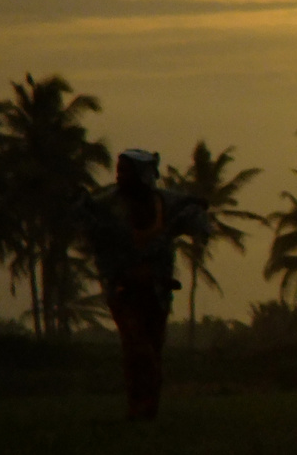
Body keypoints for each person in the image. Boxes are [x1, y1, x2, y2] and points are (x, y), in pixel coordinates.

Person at [81, 149, 208, 420]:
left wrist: (198, 216)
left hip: (157, 291)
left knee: (152, 350)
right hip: (124, 291)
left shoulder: (166, 203)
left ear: (143, 175)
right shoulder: (107, 204)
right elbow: (88, 220)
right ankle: (139, 408)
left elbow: (191, 208)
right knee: (138, 349)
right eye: (119, 170)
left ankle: (146, 410)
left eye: (126, 170)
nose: (119, 176)